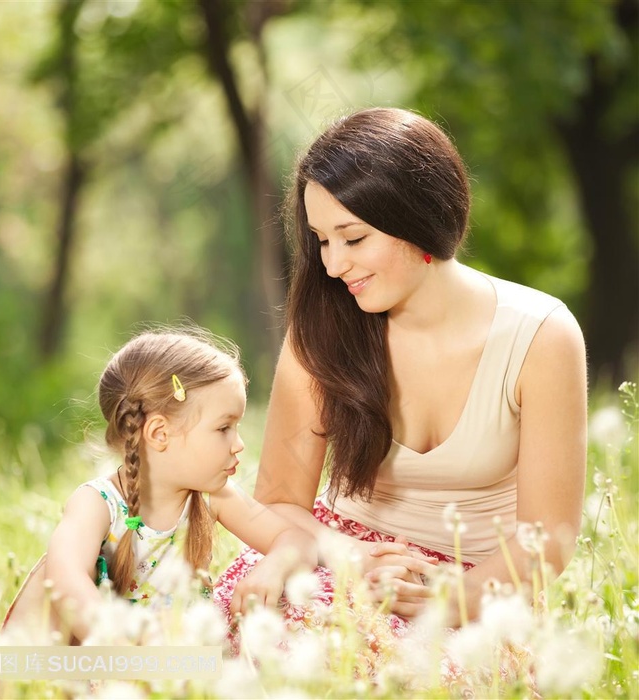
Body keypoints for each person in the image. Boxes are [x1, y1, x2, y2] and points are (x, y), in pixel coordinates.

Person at [216, 107, 587, 627]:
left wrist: (446, 601)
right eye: (322, 240)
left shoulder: (542, 336)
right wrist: (353, 559)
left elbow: (546, 542)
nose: (332, 264)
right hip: (335, 557)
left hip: (481, 590)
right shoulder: (321, 329)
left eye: (353, 237)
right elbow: (278, 503)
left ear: (418, 220)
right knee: (259, 636)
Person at [2, 328, 317, 644]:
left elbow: (297, 540)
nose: (239, 445)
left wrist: (274, 566)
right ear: (159, 433)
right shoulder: (98, 503)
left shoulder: (212, 497)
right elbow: (64, 578)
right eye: (224, 428)